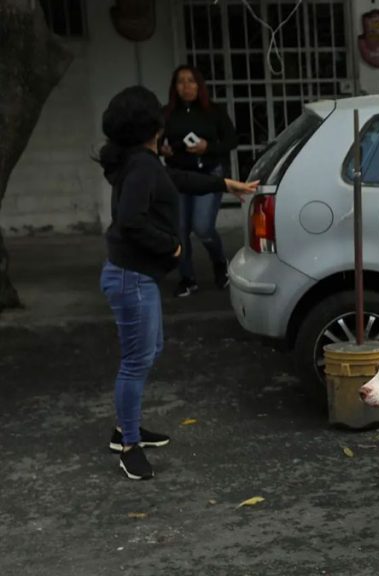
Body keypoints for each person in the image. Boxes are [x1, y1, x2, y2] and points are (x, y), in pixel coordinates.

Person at [98, 85, 257, 480]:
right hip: (131, 277)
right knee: (136, 361)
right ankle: (129, 445)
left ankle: (126, 427)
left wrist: (225, 185)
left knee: (149, 351)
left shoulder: (144, 162)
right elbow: (130, 221)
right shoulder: (140, 166)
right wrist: (172, 248)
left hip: (135, 277)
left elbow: (178, 180)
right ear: (152, 125)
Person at [160, 65, 239, 297]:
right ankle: (187, 278)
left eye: (191, 81)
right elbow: (154, 141)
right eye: (181, 81)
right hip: (178, 176)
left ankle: (220, 264)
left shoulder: (213, 111)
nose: (186, 86)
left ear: (199, 85)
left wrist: (208, 147)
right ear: (174, 87)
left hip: (208, 174)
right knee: (180, 230)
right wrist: (162, 150)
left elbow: (231, 140)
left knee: (203, 227)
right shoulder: (165, 114)